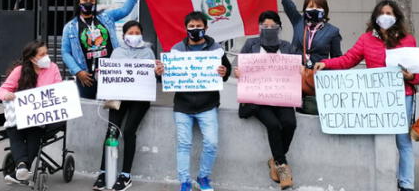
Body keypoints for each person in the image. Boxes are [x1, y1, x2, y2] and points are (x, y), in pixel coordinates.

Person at [313, 0, 419, 191]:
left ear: (396, 17)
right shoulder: (366, 40)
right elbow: (348, 59)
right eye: (382, 13)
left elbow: (416, 73)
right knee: (380, 138)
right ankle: (383, 178)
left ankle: (406, 184)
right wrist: (326, 64)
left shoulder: (407, 40)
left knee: (402, 141)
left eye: (389, 13)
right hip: (377, 98)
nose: (385, 16)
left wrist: (410, 76)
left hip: (402, 95)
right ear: (375, 17)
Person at [93, 20, 164, 191]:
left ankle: (125, 175)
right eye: (130, 33)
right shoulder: (117, 52)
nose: (133, 36)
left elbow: (155, 78)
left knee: (129, 131)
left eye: (136, 33)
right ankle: (104, 172)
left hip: (140, 100)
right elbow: (109, 76)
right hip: (118, 99)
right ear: (123, 35)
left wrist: (158, 72)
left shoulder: (148, 52)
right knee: (112, 132)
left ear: (141, 34)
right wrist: (100, 73)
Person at [168, 11, 232, 191]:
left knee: (211, 143)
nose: (195, 30)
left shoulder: (217, 49)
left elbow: (226, 73)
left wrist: (224, 72)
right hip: (182, 106)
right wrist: (162, 72)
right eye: (192, 27)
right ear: (186, 28)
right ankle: (185, 181)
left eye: (199, 26)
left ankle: (203, 177)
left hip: (208, 106)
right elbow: (168, 78)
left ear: (206, 27)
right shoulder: (176, 50)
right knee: (183, 144)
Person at [234, 11, 297, 190]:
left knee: (290, 123)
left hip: (281, 97)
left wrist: (298, 70)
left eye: (272, 26)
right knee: (274, 125)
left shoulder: (287, 47)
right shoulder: (250, 44)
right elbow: (237, 67)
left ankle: (274, 160)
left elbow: (294, 71)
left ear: (279, 28)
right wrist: (238, 72)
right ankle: (282, 167)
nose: (268, 29)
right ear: (259, 27)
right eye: (265, 26)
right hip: (257, 99)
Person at [269, 0, 342, 111]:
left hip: (317, 79)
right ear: (304, 9)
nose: (314, 9)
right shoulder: (298, 22)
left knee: (311, 113)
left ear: (325, 11)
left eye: (318, 7)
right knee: (290, 115)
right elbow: (288, 3)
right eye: (310, 6)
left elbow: (337, 59)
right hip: (293, 75)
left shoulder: (333, 31)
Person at [61, 0, 142, 99]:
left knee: (110, 106)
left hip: (110, 73)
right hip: (86, 76)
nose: (88, 3)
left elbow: (125, 10)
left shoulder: (106, 17)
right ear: (79, 3)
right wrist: (78, 71)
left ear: (95, 3)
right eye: (85, 1)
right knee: (89, 108)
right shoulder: (70, 27)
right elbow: (65, 53)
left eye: (91, 1)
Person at [0, 40, 62, 182]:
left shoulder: (53, 68)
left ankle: (21, 169)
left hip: (41, 116)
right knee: (15, 130)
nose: (47, 57)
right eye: (42, 54)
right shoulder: (19, 71)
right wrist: (6, 95)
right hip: (20, 116)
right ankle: (22, 167)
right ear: (32, 58)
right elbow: (2, 90)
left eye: (47, 53)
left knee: (34, 131)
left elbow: (59, 91)